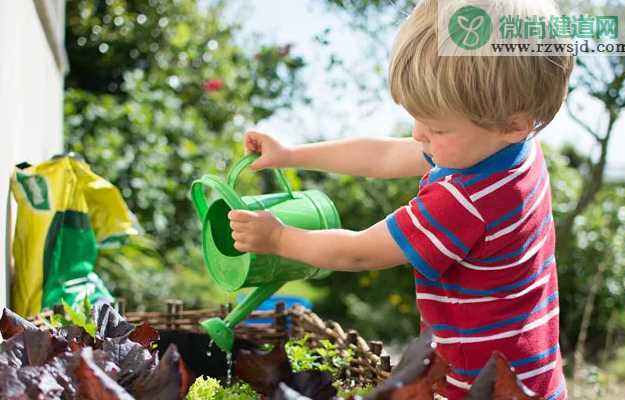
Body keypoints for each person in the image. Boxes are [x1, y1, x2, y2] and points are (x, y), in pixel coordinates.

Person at [228, 0, 573, 398]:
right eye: (417, 117)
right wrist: (293, 154)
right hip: (532, 374)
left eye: (436, 127)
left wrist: (278, 240)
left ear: (514, 124)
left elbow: (358, 252)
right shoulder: (504, 148)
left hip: (484, 385)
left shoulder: (465, 200)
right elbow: (383, 154)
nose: (418, 134)